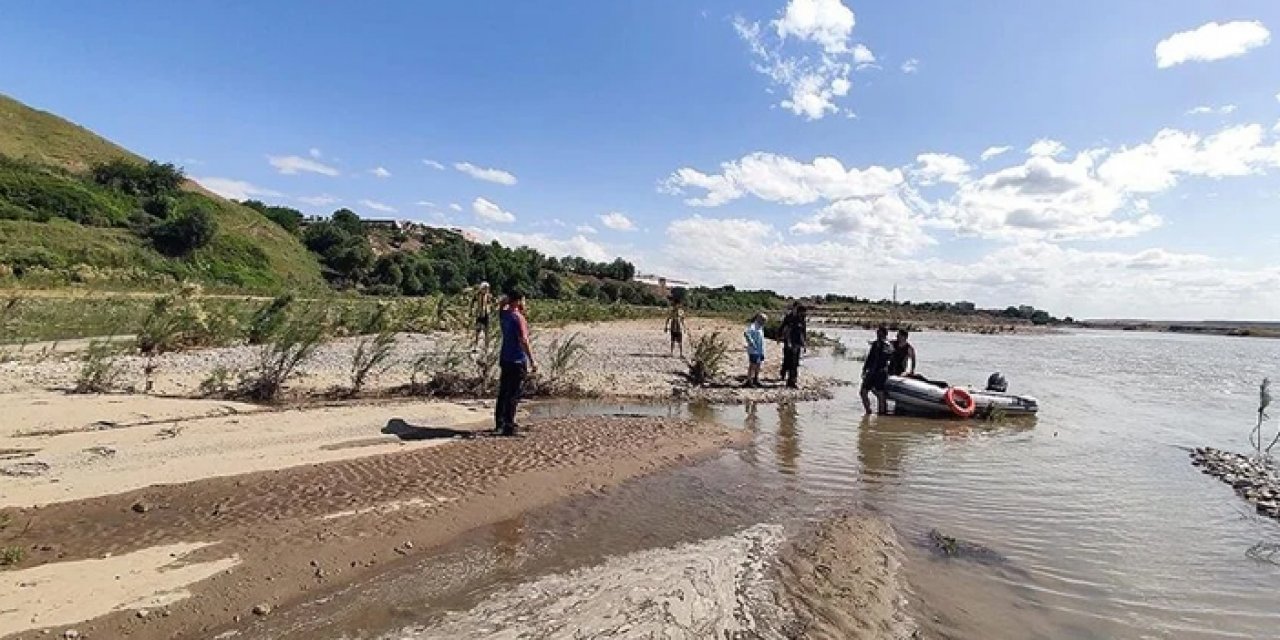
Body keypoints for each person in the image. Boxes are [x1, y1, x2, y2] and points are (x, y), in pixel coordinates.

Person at [495, 290, 536, 436]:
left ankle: (500, 422)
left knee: (504, 391)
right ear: (518, 301)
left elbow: (500, 307)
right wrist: (532, 360)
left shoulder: (504, 315)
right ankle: (509, 425)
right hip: (517, 359)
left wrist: (504, 301)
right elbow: (524, 341)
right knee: (514, 393)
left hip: (505, 357)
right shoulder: (518, 318)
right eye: (523, 300)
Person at [860, 326, 894, 415]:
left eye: (880, 333)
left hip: (881, 372)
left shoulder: (888, 345)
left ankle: (881, 414)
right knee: (863, 392)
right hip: (871, 371)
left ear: (884, 334)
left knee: (880, 394)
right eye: (877, 333)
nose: (878, 335)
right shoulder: (875, 344)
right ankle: (868, 411)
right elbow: (869, 357)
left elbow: (890, 358)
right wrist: (864, 369)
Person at [780, 304, 807, 388]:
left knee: (795, 363)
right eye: (802, 313)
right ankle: (790, 380)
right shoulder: (792, 319)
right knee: (790, 362)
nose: (804, 314)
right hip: (791, 344)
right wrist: (788, 342)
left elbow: (803, 332)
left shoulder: (802, 320)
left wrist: (804, 344)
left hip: (797, 343)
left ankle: (792, 380)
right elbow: (787, 331)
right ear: (798, 312)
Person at [743, 312, 767, 387]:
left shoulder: (760, 327)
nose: (764, 322)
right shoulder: (753, 326)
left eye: (765, 320)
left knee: (758, 364)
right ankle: (749, 380)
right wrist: (751, 343)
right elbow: (746, 333)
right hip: (754, 350)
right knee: (752, 365)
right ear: (758, 319)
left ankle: (756, 379)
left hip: (760, 349)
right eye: (763, 320)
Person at [470, 282, 493, 351]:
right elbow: (472, 303)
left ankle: (486, 347)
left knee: (486, 331)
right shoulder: (477, 295)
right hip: (479, 314)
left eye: (487, 288)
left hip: (486, 314)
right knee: (477, 331)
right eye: (485, 288)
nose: (486, 290)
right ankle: (475, 346)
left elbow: (492, 303)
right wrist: (471, 311)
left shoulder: (489, 296)